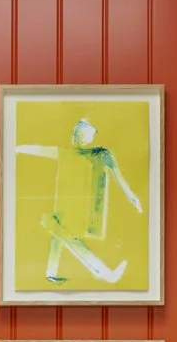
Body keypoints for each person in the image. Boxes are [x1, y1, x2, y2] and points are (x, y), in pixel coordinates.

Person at [17, 116, 143, 284]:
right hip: (66, 206)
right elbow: (41, 149)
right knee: (63, 236)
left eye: (91, 134)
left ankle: (58, 272)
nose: (89, 137)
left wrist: (132, 196)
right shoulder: (67, 152)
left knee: (63, 236)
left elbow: (118, 176)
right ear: (78, 134)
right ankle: (102, 273)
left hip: (83, 209)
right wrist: (18, 147)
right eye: (86, 133)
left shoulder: (100, 154)